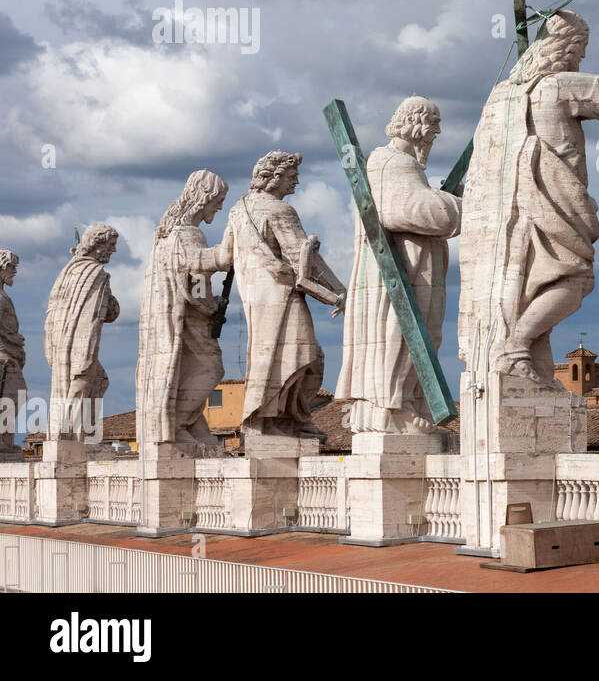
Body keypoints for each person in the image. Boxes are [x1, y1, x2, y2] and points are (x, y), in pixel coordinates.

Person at [459, 10, 599, 384]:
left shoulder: (499, 96)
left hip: (506, 213)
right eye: (580, 49)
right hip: (552, 201)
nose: (581, 59)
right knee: (576, 278)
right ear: (567, 46)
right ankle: (515, 346)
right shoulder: (560, 86)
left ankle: (520, 350)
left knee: (532, 285)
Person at [337, 97, 461, 434]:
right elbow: (411, 209)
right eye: (433, 128)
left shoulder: (404, 164)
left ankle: (406, 403)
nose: (435, 137)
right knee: (400, 336)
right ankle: (392, 406)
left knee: (423, 337)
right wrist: (463, 206)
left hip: (416, 268)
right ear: (418, 125)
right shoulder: (390, 162)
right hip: (401, 272)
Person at [224, 151, 345, 440]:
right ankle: (291, 420)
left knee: (269, 358)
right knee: (309, 357)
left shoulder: (238, 211)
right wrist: (340, 291)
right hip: (282, 296)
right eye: (292, 176)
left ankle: (276, 421)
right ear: (275, 177)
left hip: (253, 297)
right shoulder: (280, 210)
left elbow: (222, 256)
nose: (297, 182)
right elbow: (302, 259)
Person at [136, 169, 230, 450]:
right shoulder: (188, 234)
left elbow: (194, 284)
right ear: (205, 197)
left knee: (189, 372)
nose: (220, 207)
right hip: (186, 323)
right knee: (212, 368)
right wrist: (228, 251)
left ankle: (188, 422)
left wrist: (210, 305)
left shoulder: (166, 237)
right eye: (219, 200)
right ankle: (177, 423)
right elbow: (197, 267)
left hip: (181, 319)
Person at [46, 224, 119, 439]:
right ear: (98, 245)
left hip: (59, 343)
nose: (113, 251)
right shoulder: (96, 273)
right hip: (81, 343)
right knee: (87, 380)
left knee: (99, 379)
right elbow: (106, 313)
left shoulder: (66, 271)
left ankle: (76, 432)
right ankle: (72, 435)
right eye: (112, 245)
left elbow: (51, 312)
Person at [0, 250, 25, 454]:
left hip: (10, 354)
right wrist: (12, 338)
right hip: (3, 356)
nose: (15, 271)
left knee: (13, 397)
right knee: (13, 396)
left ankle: (4, 442)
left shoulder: (3, 296)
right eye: (11, 267)